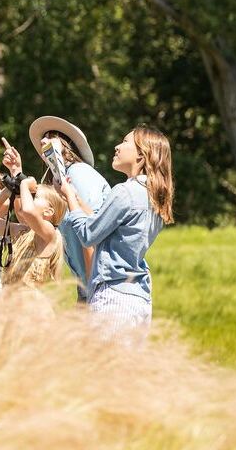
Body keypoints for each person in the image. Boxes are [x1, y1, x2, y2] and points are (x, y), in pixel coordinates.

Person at [57, 125, 175, 341]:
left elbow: (88, 235)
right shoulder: (151, 195)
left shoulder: (124, 191)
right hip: (137, 298)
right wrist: (73, 198)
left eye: (125, 141)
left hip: (113, 298)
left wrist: (70, 199)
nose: (117, 146)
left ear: (141, 154)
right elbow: (101, 222)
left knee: (103, 371)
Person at [5, 117, 111, 303]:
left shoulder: (79, 172)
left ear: (67, 145)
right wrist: (17, 173)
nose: (43, 141)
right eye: (43, 138)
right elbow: (26, 218)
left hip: (99, 285)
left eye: (51, 136)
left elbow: (90, 231)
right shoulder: (58, 183)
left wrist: (92, 292)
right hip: (89, 286)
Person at [0, 143, 66, 293]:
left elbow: (28, 211)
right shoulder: (23, 230)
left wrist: (24, 184)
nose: (28, 198)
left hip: (32, 308)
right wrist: (7, 190)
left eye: (34, 197)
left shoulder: (50, 232)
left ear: (49, 212)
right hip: (11, 306)